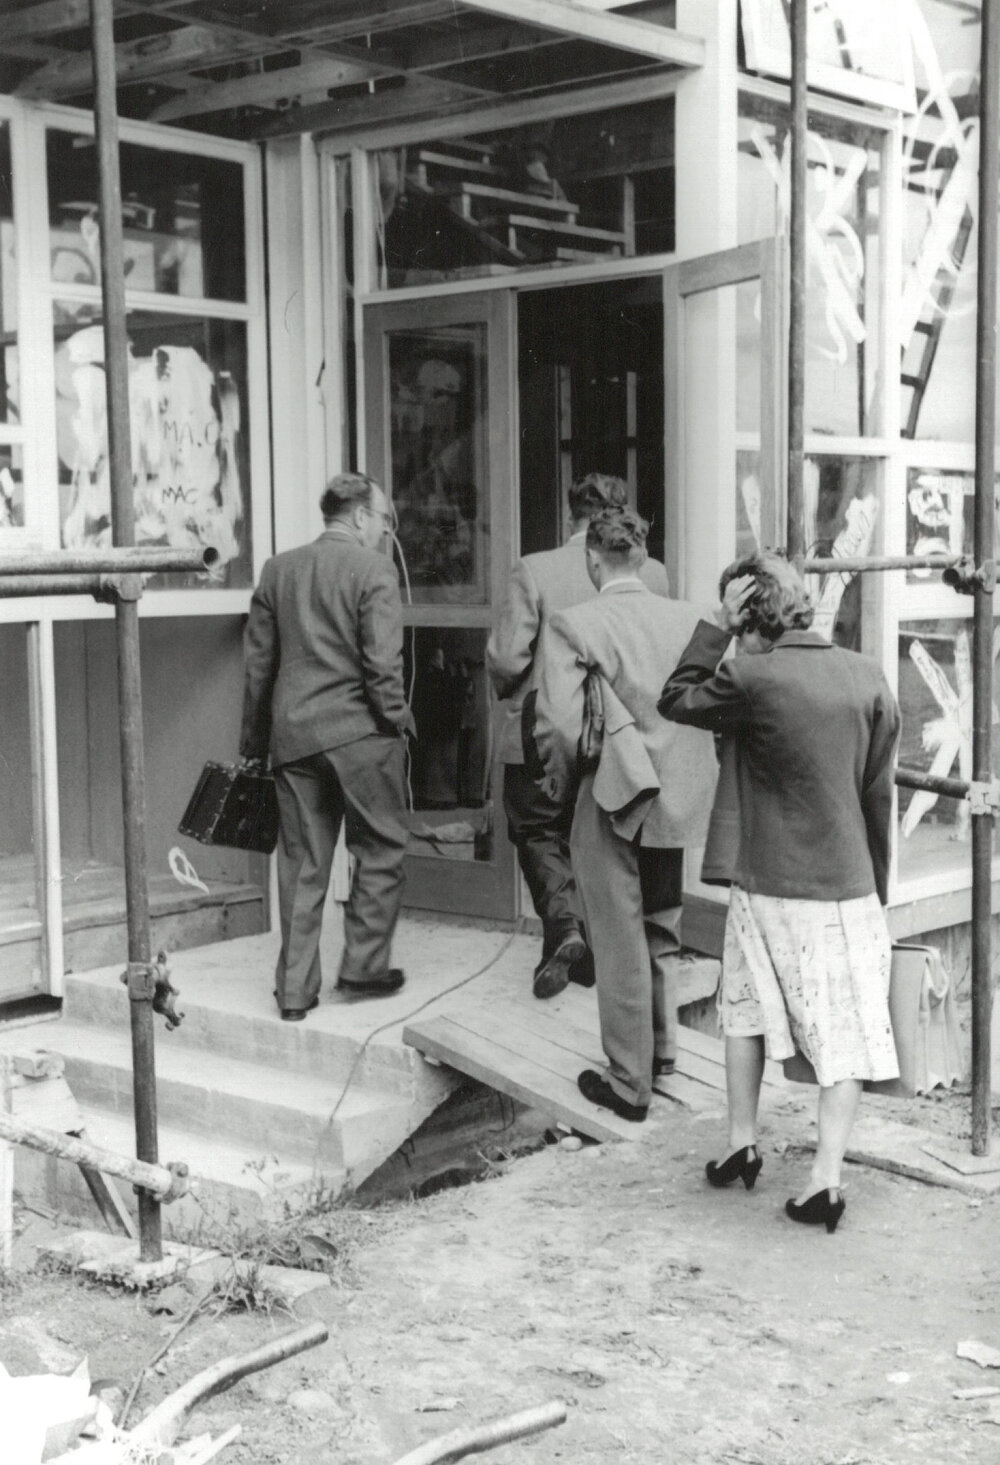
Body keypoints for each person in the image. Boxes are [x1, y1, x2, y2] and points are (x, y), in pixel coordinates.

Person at [658, 553, 901, 1232]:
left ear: (747, 615)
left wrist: (713, 627)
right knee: (845, 1030)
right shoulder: (867, 675)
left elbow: (675, 695)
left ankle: (740, 1142)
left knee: (745, 1007)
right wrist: (875, 882)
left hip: (766, 882)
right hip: (847, 883)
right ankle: (825, 1177)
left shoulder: (748, 676)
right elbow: (877, 791)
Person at [527, 507, 717, 1121]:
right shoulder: (693, 617)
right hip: (678, 796)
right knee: (662, 924)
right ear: (641, 556)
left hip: (612, 796)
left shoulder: (575, 624)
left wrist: (557, 787)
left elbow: (556, 723)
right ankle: (662, 1057)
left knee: (617, 935)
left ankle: (629, 1083)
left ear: (591, 559)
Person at [487, 473, 670, 1000]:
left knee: (536, 825)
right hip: (622, 730)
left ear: (572, 515)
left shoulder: (534, 569)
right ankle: (581, 946)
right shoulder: (651, 572)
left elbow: (505, 658)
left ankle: (566, 927)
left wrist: (514, 686)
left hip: (544, 723)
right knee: (599, 836)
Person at [240, 472, 414, 1021]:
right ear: (360, 516)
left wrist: (253, 744)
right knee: (381, 850)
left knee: (302, 865)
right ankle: (363, 969)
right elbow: (383, 665)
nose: (386, 532)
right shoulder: (374, 570)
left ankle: (294, 993)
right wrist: (397, 721)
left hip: (293, 739)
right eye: (384, 520)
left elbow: (258, 669)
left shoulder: (278, 569)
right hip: (362, 736)